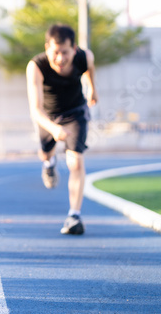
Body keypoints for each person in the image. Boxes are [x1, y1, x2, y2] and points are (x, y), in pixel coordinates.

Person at [26, 24, 98, 235]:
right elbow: (36, 110)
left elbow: (90, 68)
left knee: (75, 161)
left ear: (74, 49)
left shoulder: (85, 57)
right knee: (45, 152)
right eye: (55, 52)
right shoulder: (36, 66)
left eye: (64, 53)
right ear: (47, 47)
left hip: (75, 112)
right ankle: (49, 163)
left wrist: (93, 88)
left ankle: (74, 215)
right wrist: (54, 129)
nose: (59, 59)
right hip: (47, 116)